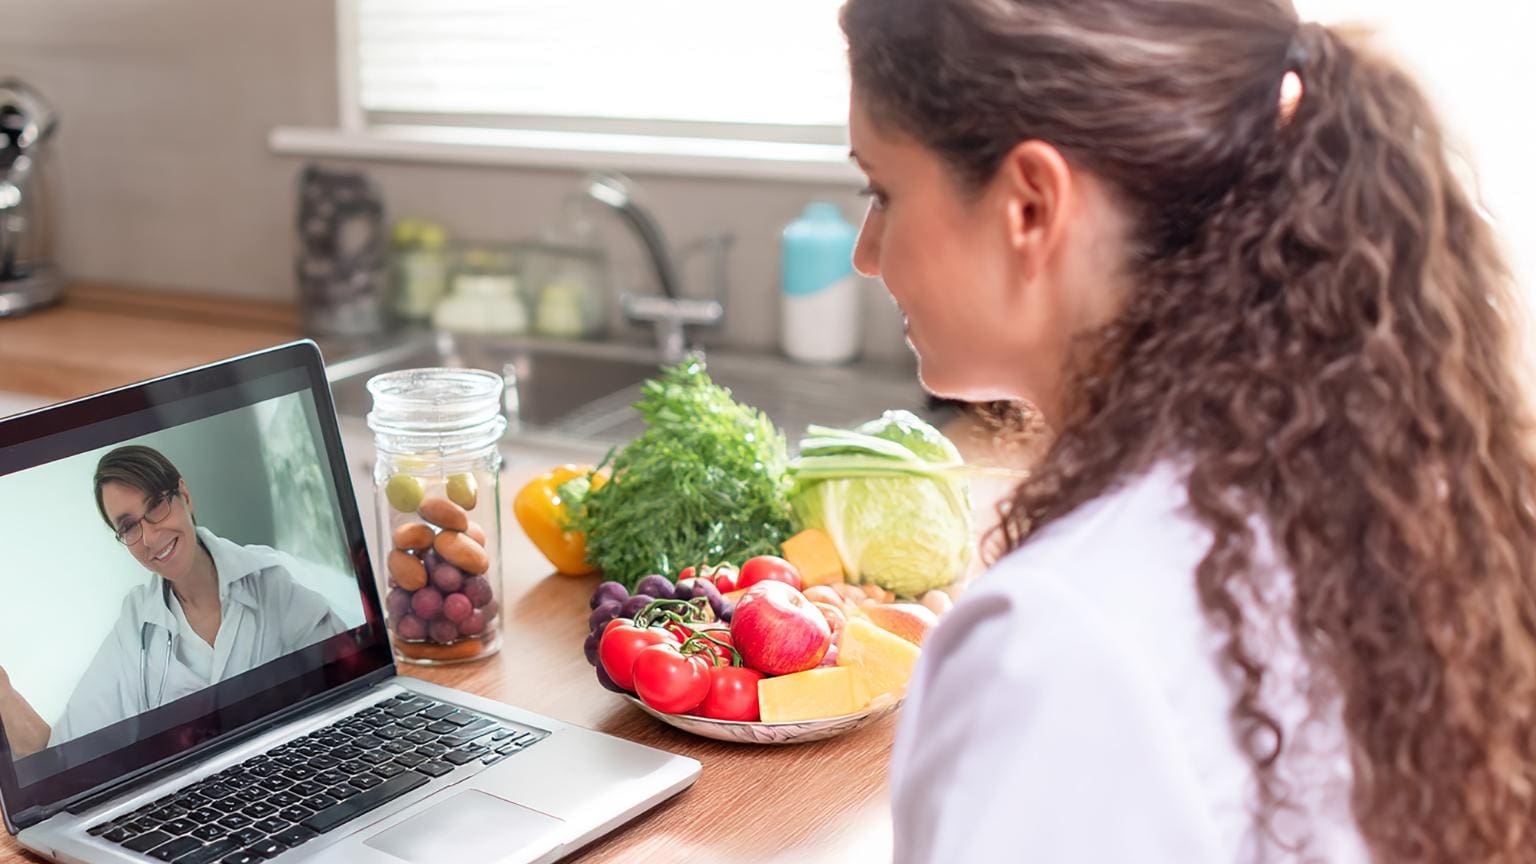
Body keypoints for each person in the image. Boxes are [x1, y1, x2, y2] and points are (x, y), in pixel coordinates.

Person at [840, 0, 1536, 861]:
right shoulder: (1373, 503)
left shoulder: (1053, 650)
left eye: (883, 191)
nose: (866, 252)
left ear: (1030, 207)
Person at [0, 445, 344, 758]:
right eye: (129, 526)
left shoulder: (272, 579)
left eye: (155, 506)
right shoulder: (135, 628)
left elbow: (348, 682)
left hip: (298, 766)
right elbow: (58, 760)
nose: (150, 537)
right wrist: (3, 691)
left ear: (185, 496)